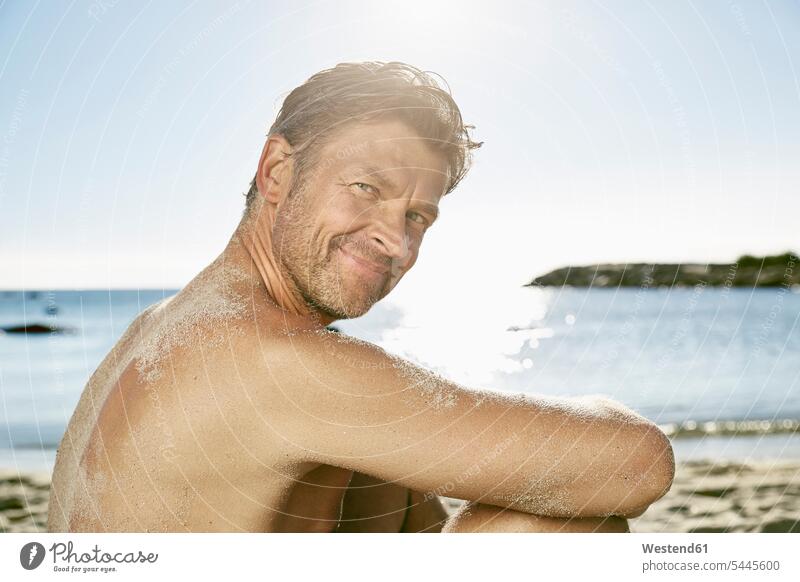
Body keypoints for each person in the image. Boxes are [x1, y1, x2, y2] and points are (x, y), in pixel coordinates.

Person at [48, 61, 673, 533]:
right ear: (276, 173)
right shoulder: (273, 362)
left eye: (418, 216)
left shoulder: (162, 327)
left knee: (381, 481)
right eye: (366, 187)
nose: (394, 240)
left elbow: (413, 518)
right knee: (562, 530)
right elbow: (639, 465)